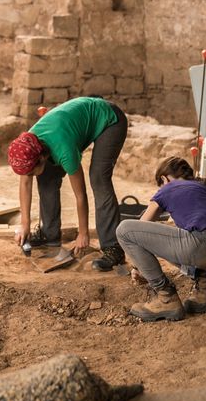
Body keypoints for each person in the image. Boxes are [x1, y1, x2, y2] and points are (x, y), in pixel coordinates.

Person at [7, 96, 128, 271]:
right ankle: (49, 235)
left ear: (41, 158)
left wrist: (83, 233)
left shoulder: (65, 151)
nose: (29, 176)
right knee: (46, 177)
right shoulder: (28, 145)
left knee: (98, 178)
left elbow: (80, 195)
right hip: (74, 121)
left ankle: (113, 247)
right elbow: (25, 183)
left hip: (109, 119)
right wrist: (24, 224)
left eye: (31, 172)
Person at [117, 156, 206, 322]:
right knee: (180, 235)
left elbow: (141, 225)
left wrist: (137, 266)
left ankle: (165, 297)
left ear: (164, 179)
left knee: (124, 230)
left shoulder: (169, 187)